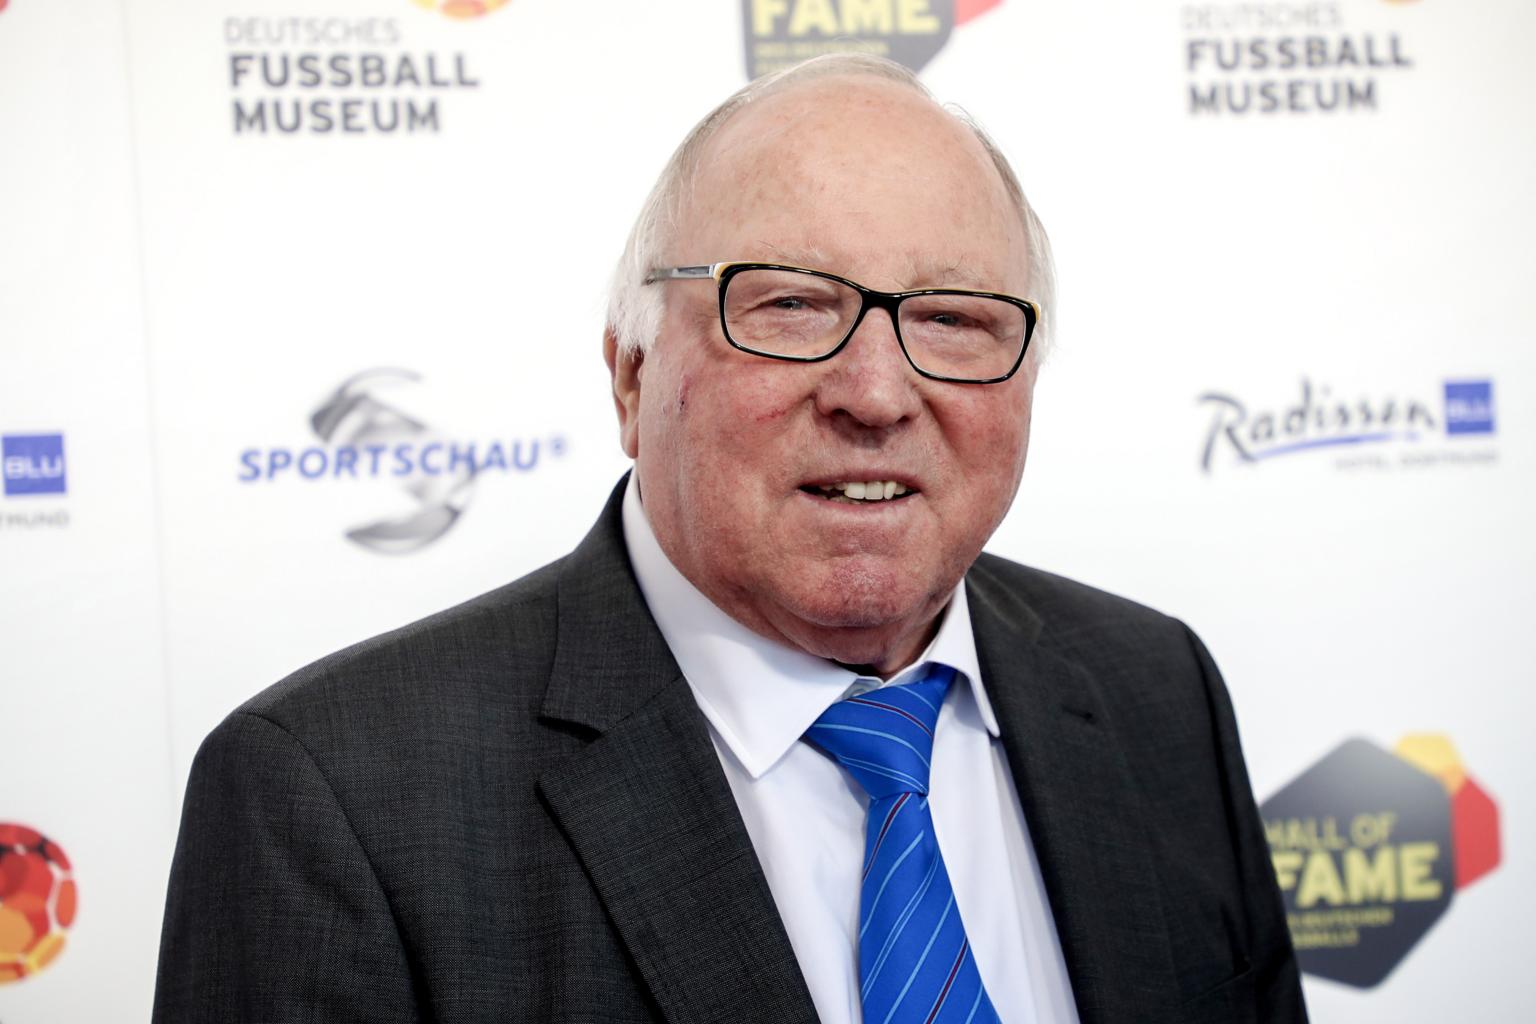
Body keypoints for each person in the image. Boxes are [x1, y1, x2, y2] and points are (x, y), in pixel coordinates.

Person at [153, 54, 1306, 1024]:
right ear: (632, 375)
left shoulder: (1155, 690)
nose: (876, 393)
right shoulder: (331, 801)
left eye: (953, 318)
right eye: (791, 304)